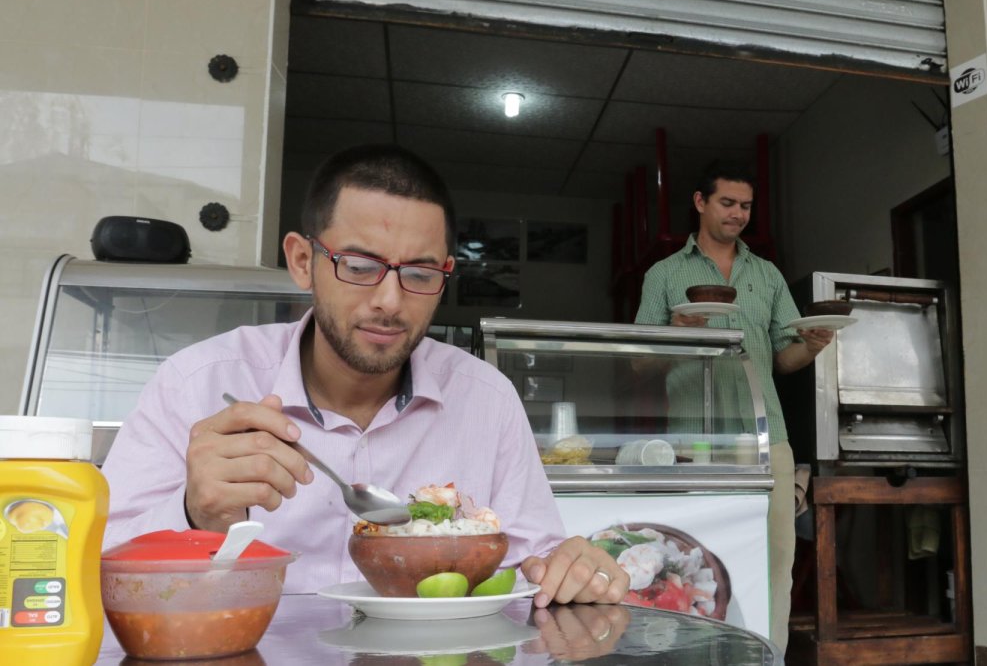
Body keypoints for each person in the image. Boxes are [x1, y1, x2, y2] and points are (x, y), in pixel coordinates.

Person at [102, 143, 629, 608]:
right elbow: (94, 566)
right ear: (302, 260)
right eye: (358, 266)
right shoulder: (195, 383)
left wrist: (570, 571)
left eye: (420, 273)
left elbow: (533, 566)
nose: (390, 301)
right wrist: (192, 515)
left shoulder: (486, 400)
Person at [634, 159, 832, 649]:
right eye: (727, 203)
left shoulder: (767, 275)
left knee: (776, 560)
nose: (738, 214)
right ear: (700, 202)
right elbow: (639, 363)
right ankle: (696, 656)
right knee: (690, 562)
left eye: (745, 206)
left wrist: (811, 346)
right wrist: (673, 334)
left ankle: (768, 656)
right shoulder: (664, 273)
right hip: (693, 442)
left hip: (766, 437)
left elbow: (784, 358)